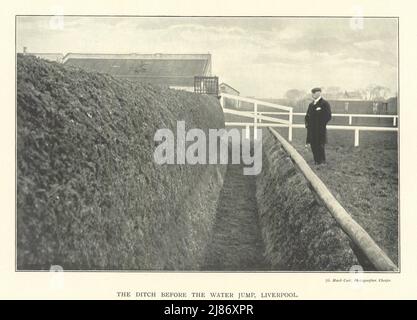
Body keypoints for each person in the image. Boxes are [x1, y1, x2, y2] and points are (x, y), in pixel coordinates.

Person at [305, 87, 332, 165]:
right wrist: (307, 124)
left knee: (320, 144)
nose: (312, 95)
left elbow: (328, 116)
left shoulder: (324, 103)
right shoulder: (311, 105)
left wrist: (321, 124)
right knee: (313, 144)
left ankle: (322, 161)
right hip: (311, 129)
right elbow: (307, 115)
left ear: (318, 93)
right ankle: (316, 161)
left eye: (314, 93)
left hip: (320, 129)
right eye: (312, 93)